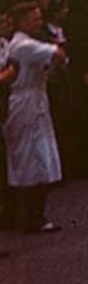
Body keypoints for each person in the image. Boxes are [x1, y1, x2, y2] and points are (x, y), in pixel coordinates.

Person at [3, 12, 64, 232]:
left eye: (39, 19)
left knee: (39, 156)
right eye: (33, 19)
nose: (38, 23)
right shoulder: (24, 45)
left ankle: (35, 215)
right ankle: (29, 216)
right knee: (30, 157)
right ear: (21, 22)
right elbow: (59, 54)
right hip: (25, 101)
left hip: (35, 98)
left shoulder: (23, 43)